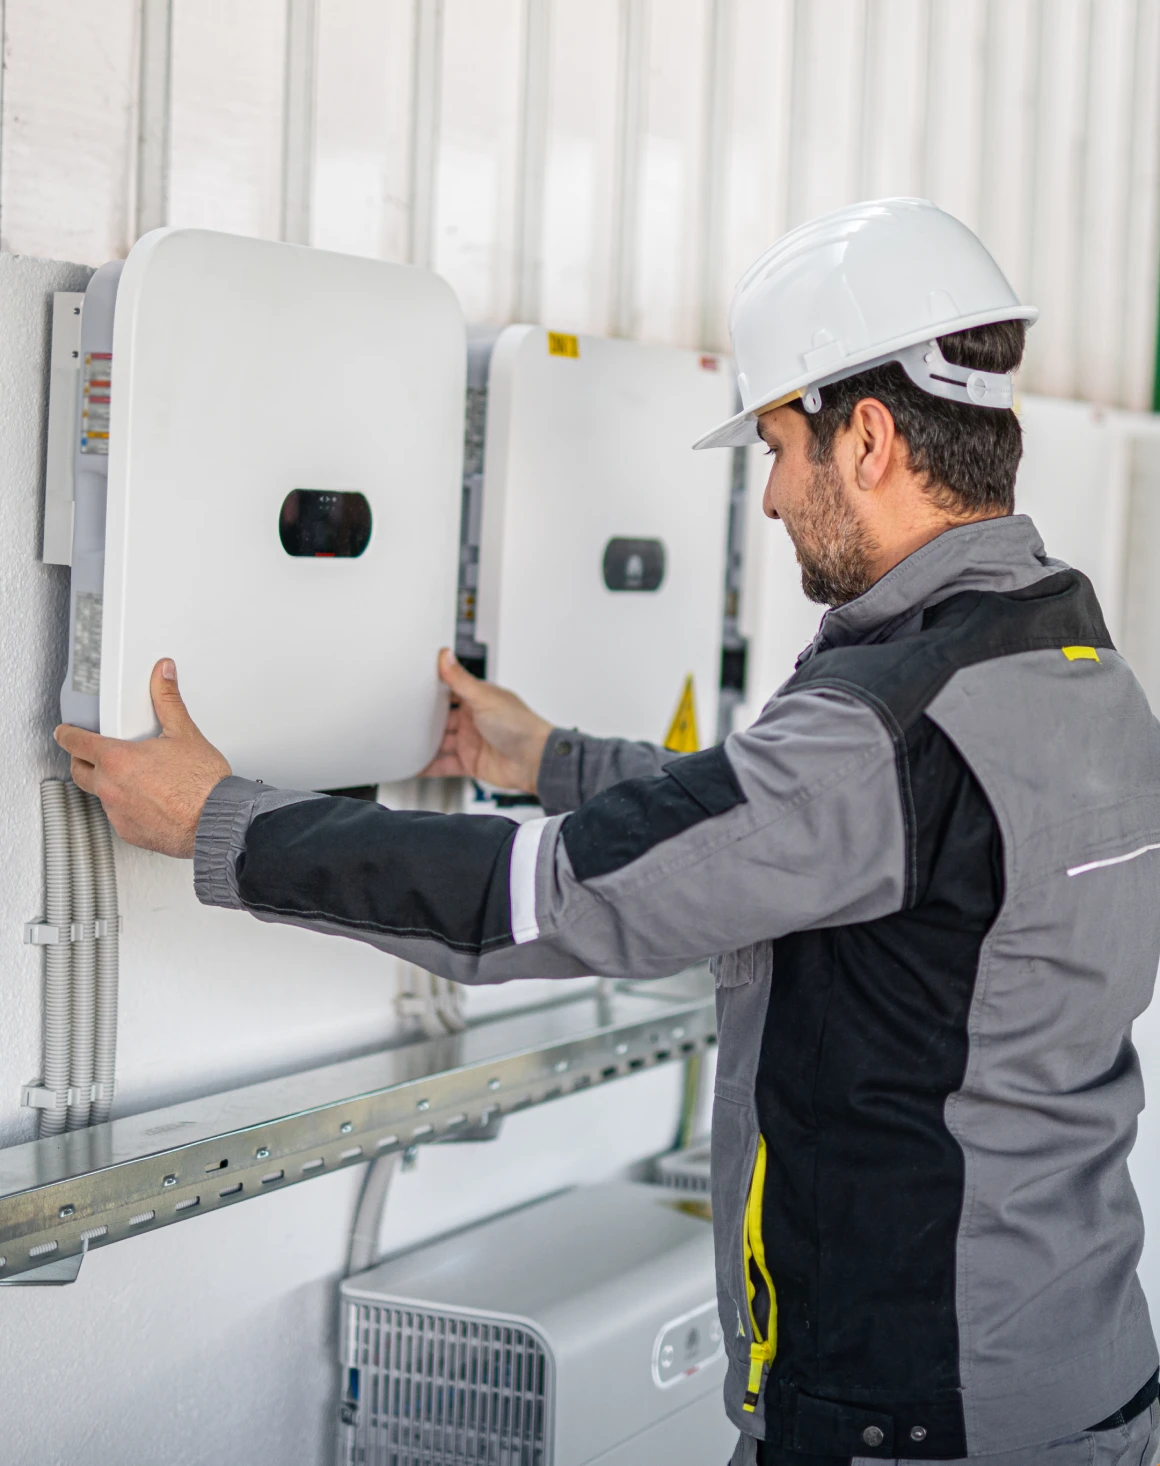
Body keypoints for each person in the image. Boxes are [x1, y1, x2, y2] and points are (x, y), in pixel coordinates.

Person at [57, 199, 1160, 1466]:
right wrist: (549, 757)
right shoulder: (1068, 662)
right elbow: (781, 820)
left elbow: (546, 897)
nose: (768, 499)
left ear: (864, 437)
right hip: (1079, 1378)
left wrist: (222, 824)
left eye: (775, 447)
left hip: (915, 1420)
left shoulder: (888, 723)